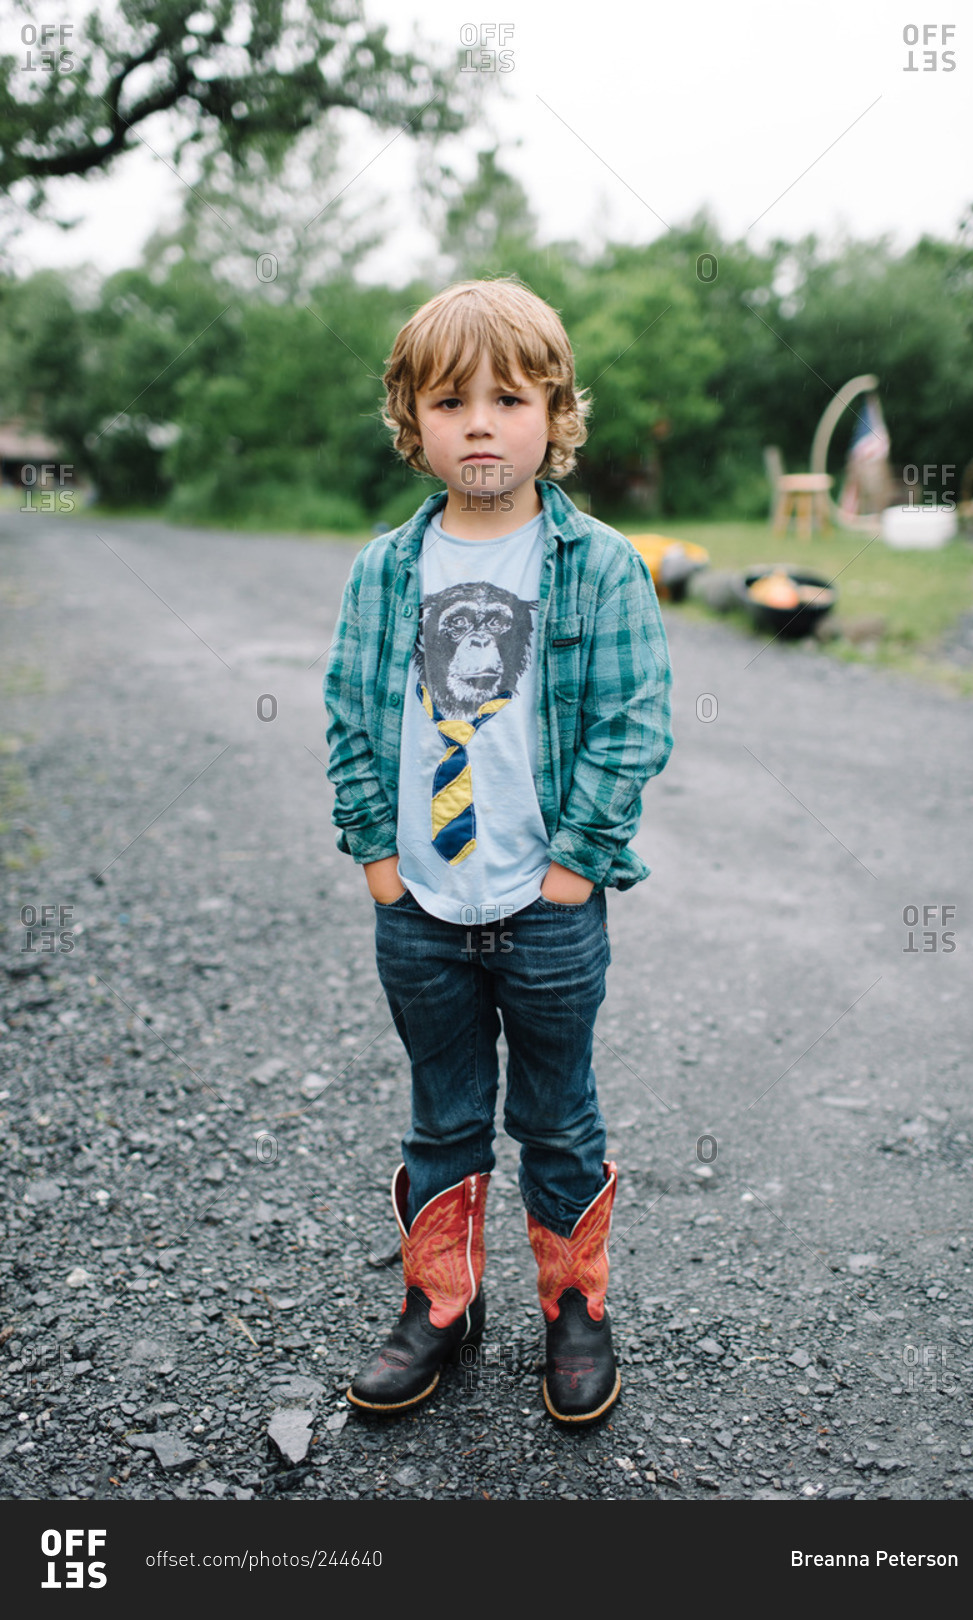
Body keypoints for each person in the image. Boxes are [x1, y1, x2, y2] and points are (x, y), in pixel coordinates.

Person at [322, 278, 673, 1424]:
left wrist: (575, 867)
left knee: (558, 1117)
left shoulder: (598, 565)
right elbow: (348, 713)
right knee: (441, 1115)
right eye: (449, 402)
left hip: (545, 905)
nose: (480, 424)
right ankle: (439, 1302)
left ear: (555, 414)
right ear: (411, 422)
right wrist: (376, 856)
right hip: (419, 905)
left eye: (509, 400)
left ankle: (574, 1305)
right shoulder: (385, 570)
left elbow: (631, 723)